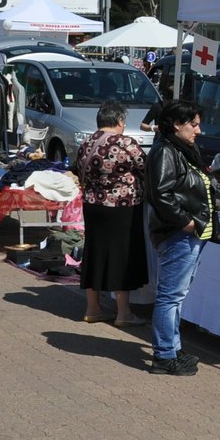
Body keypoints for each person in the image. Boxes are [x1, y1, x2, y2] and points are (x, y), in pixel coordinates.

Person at [146, 100, 220, 376]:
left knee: (177, 295)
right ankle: (164, 355)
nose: (198, 130)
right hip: (179, 234)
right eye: (193, 124)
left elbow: (188, 185)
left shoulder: (182, 150)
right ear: (177, 124)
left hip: (190, 233)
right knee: (170, 296)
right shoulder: (165, 151)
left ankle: (172, 348)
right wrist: (186, 222)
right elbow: (161, 194)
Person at [73, 100, 149, 325]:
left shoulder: (87, 142)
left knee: (94, 252)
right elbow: (145, 168)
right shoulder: (126, 143)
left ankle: (93, 308)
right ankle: (123, 313)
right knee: (121, 256)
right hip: (122, 207)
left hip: (92, 206)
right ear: (119, 121)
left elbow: (78, 170)